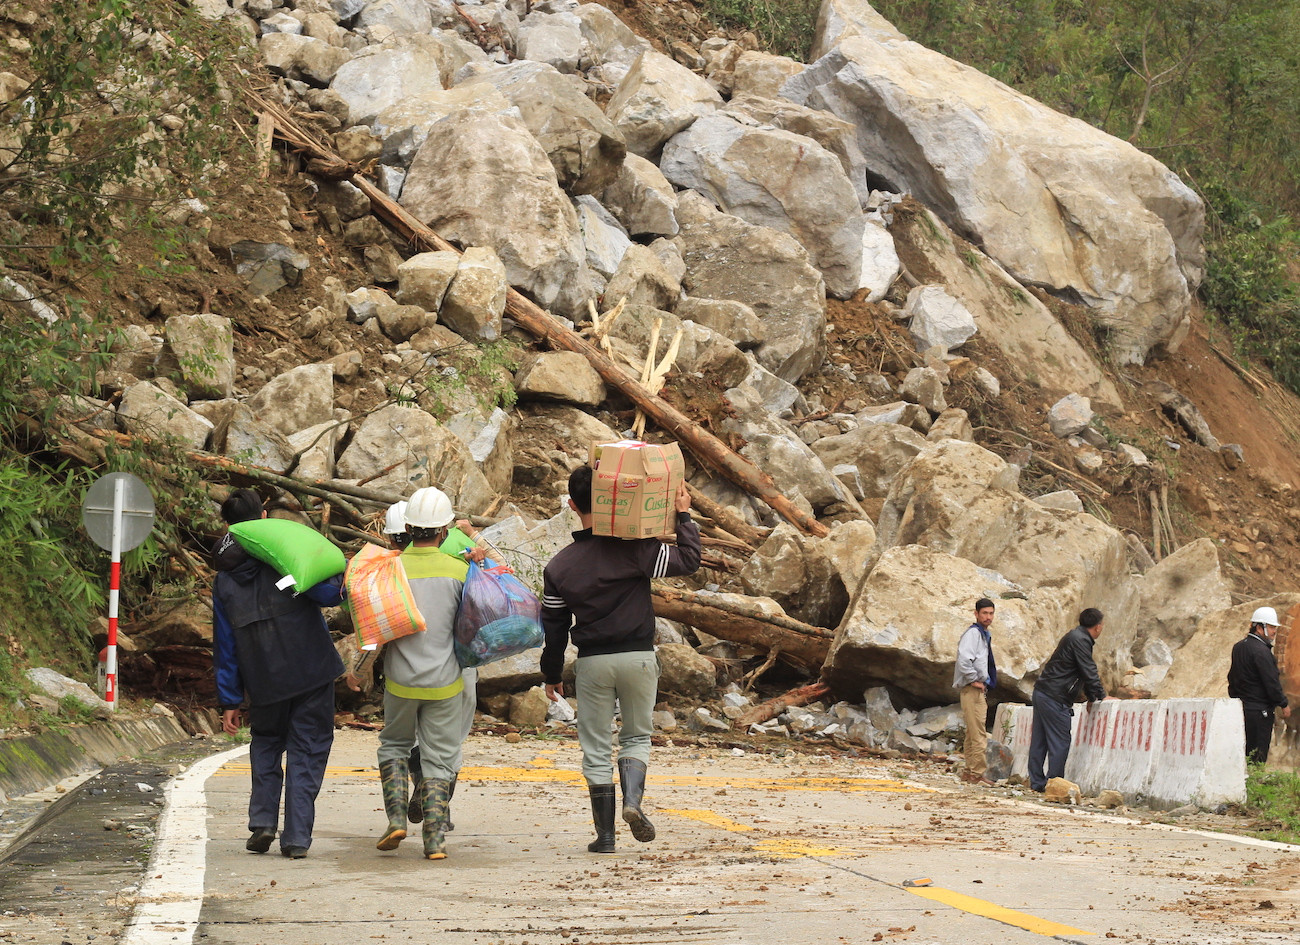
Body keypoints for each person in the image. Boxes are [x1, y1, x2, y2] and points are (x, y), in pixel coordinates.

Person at [541, 465, 701, 854]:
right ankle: (632, 802)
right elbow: (689, 560)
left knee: (595, 747)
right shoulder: (637, 549)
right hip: (639, 658)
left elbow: (555, 628)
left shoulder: (559, 567)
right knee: (636, 736)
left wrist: (551, 674)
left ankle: (606, 837)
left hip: (593, 663)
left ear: (571, 506)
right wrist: (683, 514)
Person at [211, 489, 345, 859]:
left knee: (267, 743)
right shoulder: (286, 556)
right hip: (311, 673)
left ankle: (263, 823)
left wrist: (230, 700)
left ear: (228, 527)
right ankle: (297, 838)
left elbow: (226, 645)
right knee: (308, 748)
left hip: (264, 679)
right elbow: (330, 594)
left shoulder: (223, 582)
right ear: (265, 516)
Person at [373, 487, 477, 860]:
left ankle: (397, 819)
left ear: (409, 527)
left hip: (400, 678)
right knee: (440, 757)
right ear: (445, 528)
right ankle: (434, 840)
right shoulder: (460, 571)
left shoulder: (388, 569)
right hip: (446, 681)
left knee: (394, 746)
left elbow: (374, 627)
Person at [1027, 608, 1108, 793]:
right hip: (1055, 696)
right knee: (1060, 741)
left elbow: (1080, 671)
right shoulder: (1081, 640)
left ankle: (1037, 783)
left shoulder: (1075, 636)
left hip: (1042, 692)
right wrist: (1102, 695)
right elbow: (1088, 670)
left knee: (1039, 741)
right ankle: (1054, 784)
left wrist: (1091, 696)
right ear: (1097, 627)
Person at [1228, 606, 1291, 764]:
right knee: (1258, 754)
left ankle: (1246, 785)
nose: (1274, 631)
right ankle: (1254, 785)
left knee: (1245, 752)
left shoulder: (1239, 647)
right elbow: (1271, 682)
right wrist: (1283, 703)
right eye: (1271, 627)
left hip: (1241, 708)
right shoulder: (1261, 651)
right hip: (1259, 711)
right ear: (1259, 627)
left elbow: (1232, 677)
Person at [953, 598, 998, 785]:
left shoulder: (982, 634)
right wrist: (974, 680)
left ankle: (969, 772)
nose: (988, 617)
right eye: (984, 613)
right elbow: (964, 660)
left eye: (991, 613)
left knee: (972, 733)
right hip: (972, 690)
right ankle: (977, 773)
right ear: (976, 614)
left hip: (976, 689)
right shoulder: (973, 634)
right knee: (979, 732)